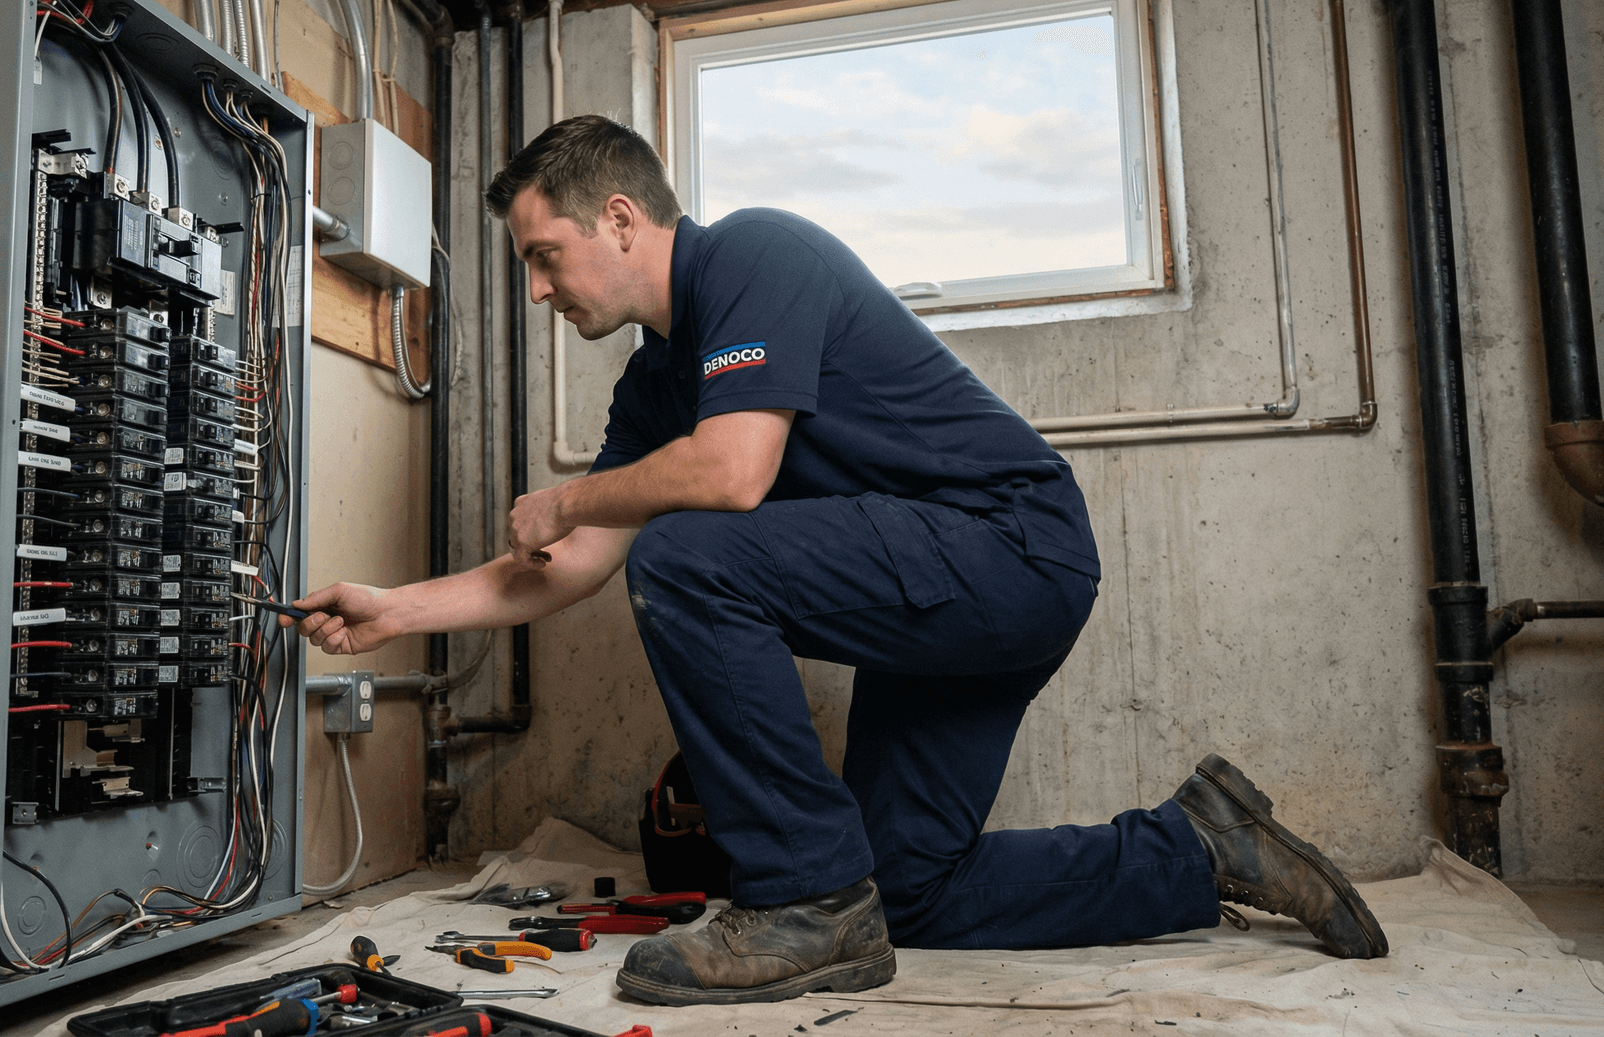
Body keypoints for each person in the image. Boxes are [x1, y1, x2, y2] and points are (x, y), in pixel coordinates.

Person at [288, 115, 1388, 1007]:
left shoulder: (755, 254)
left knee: (687, 556)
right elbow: (567, 565)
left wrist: (570, 493)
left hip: (1011, 548)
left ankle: (804, 898)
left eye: (542, 256)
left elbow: (729, 475)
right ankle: (1199, 848)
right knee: (911, 891)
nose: (536, 290)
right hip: (929, 592)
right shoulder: (652, 385)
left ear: (618, 219)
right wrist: (394, 609)